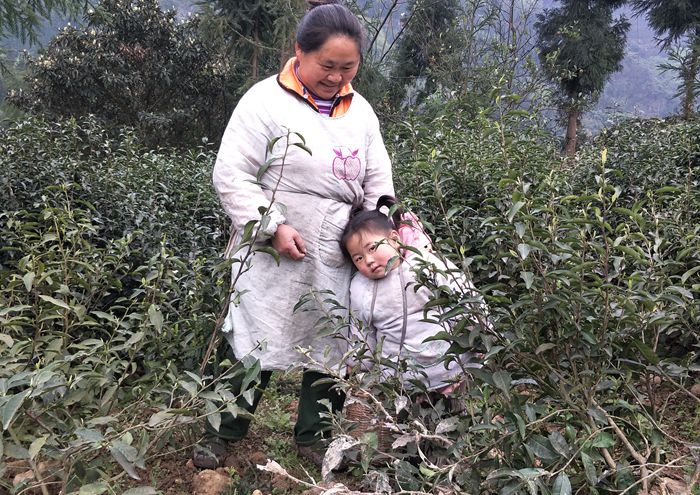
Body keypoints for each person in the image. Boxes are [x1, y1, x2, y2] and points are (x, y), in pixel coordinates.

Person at [200, 1, 395, 469]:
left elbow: (377, 181)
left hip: (338, 248)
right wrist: (271, 227)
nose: (336, 77)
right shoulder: (264, 102)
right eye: (327, 65)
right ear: (299, 52)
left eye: (348, 67)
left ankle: (315, 436)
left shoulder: (361, 112)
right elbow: (231, 174)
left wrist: (380, 230)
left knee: (333, 340)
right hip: (271, 251)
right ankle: (222, 431)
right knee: (254, 333)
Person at [341, 196, 487, 395]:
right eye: (358, 258)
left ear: (395, 239)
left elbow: (463, 294)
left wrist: (482, 335)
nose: (368, 260)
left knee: (458, 408)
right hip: (401, 380)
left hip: (451, 368)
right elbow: (361, 331)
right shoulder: (360, 287)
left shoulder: (423, 264)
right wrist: (359, 365)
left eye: (372, 248)